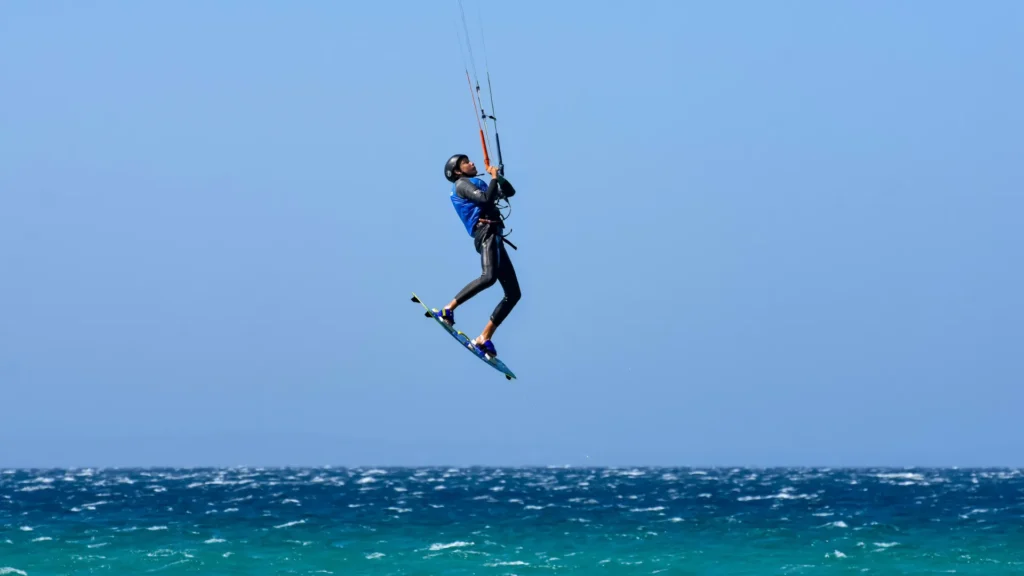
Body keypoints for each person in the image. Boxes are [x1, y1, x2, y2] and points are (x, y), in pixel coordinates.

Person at [434, 153, 520, 358]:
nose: (472, 163)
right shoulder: (462, 184)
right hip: (485, 233)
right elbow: (484, 199)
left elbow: (510, 192)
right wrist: (492, 179)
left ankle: (484, 337)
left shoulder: (478, 182)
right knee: (488, 277)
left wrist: (498, 178)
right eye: (466, 163)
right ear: (457, 171)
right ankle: (447, 309)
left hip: (496, 236)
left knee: (514, 294)